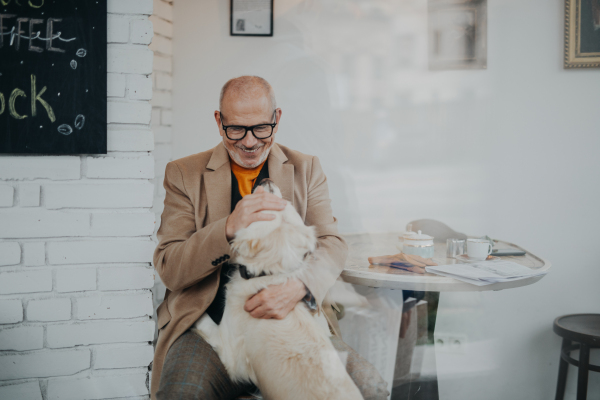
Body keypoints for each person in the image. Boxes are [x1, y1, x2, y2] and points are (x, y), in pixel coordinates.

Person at [152, 76, 389, 400]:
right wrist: (226, 229)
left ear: (277, 119)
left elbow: (333, 244)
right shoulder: (183, 173)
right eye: (236, 129)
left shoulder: (306, 169)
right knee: (182, 394)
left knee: (369, 388)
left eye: (261, 128)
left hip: (288, 322)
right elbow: (169, 266)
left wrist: (299, 287)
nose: (249, 142)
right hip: (206, 329)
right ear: (219, 121)